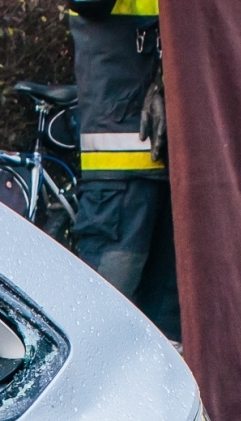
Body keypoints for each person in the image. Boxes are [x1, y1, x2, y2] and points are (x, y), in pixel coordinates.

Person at [68, 0, 181, 341]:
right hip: (121, 168)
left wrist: (165, 82)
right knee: (96, 320)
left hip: (177, 167)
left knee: (169, 333)